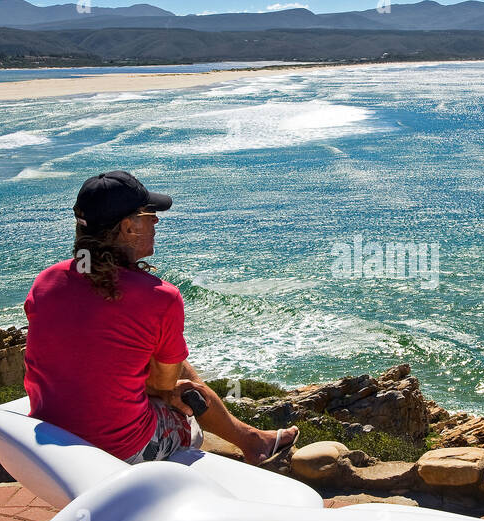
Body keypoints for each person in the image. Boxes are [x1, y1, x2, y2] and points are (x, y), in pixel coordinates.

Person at [22, 170, 297, 466]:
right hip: (121, 450)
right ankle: (251, 442)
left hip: (52, 437)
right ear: (127, 227)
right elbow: (166, 386)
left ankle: (253, 439)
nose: (156, 221)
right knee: (187, 394)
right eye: (148, 214)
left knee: (157, 354)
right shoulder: (160, 298)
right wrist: (166, 391)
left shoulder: (45, 282)